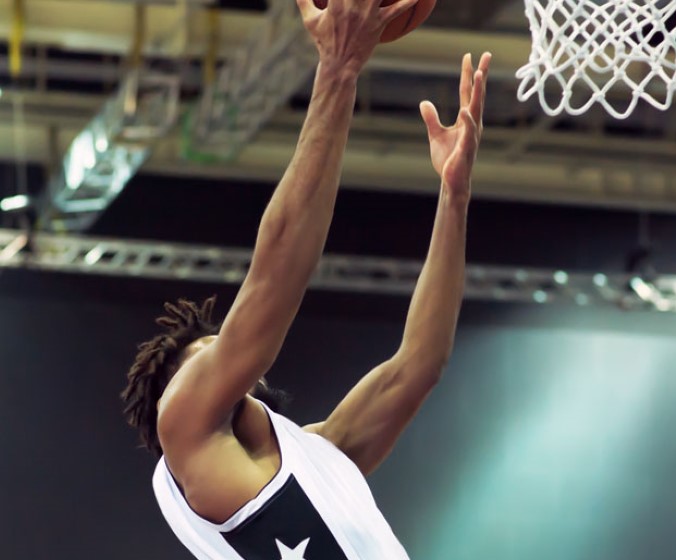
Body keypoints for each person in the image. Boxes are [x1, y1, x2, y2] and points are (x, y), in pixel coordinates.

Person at [119, 0, 492, 556]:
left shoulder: (320, 457)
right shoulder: (184, 429)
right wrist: (337, 70)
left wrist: (454, 195)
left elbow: (420, 364)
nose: (224, 355)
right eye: (204, 357)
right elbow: (275, 275)